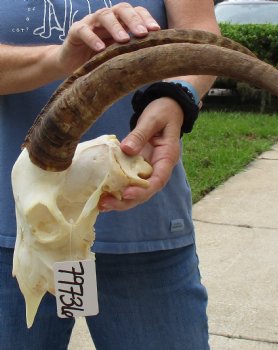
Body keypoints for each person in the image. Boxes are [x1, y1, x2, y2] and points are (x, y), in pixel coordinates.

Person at [0, 1, 219, 349]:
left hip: (145, 232)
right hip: (19, 238)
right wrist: (58, 61)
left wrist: (177, 97)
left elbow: (202, 41)